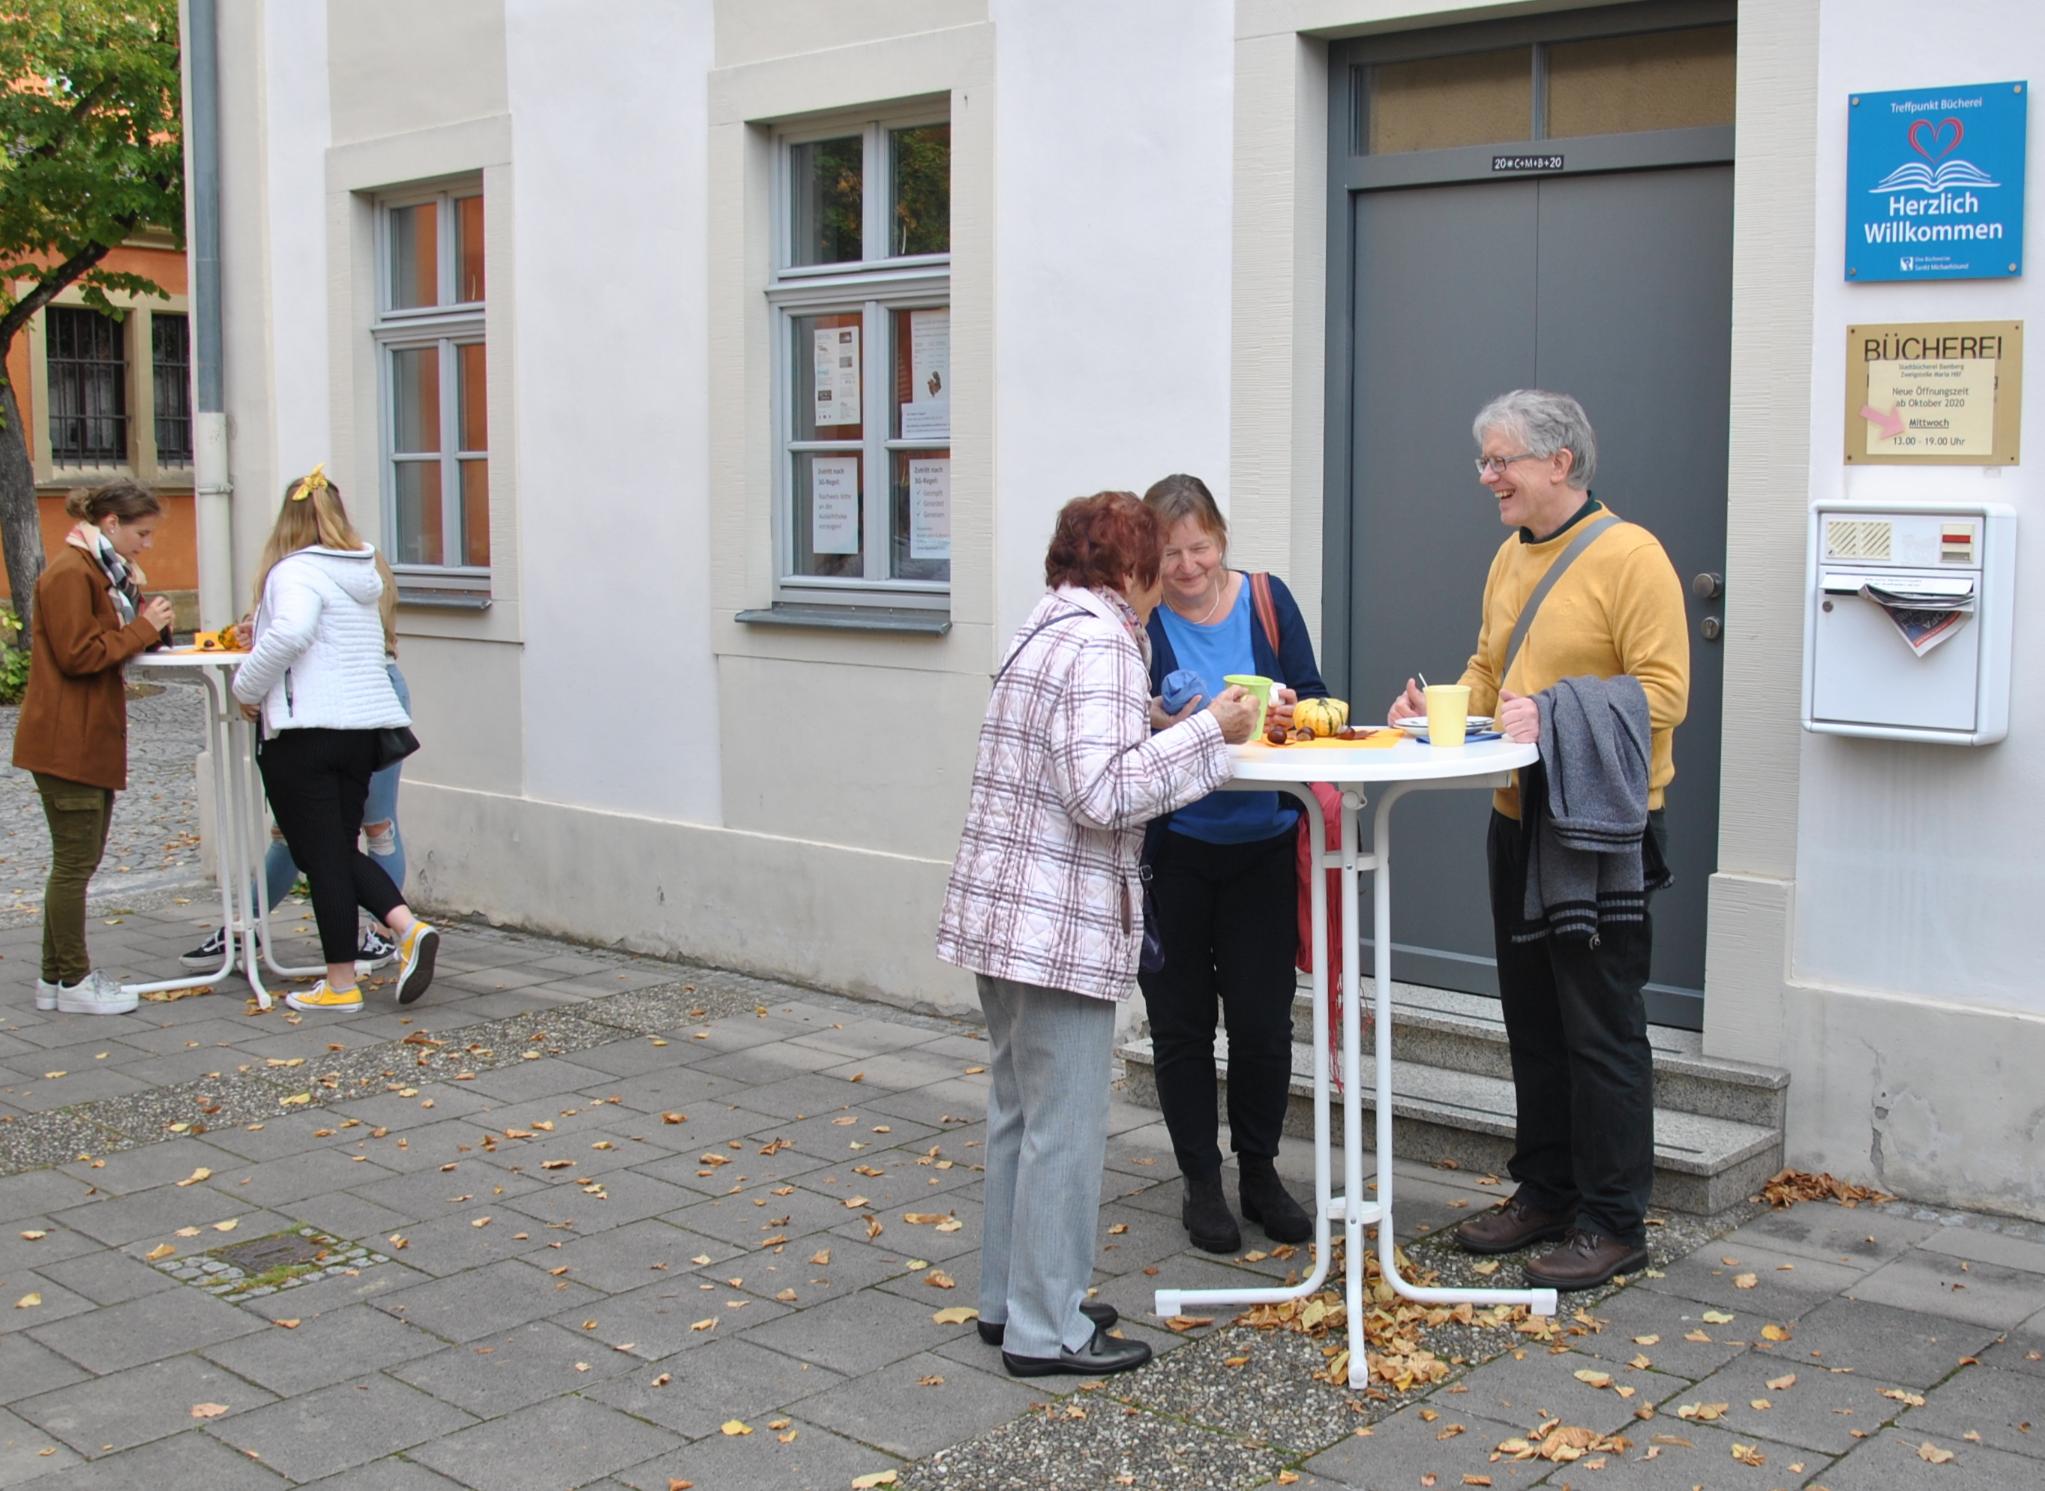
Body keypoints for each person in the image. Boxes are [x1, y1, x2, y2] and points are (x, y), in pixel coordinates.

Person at [936, 491, 1259, 1378]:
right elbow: (1100, 793)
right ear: (1131, 567)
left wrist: (1152, 727)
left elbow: (1070, 758)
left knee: (1017, 1116)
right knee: (1064, 1130)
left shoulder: (1042, 627)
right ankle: (1050, 1329)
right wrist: (1204, 732)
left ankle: (1011, 1302)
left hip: (1000, 917)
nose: (1165, 578)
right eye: (1155, 560)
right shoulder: (1106, 641)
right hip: (1055, 926)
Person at [1386, 390, 1688, 1291]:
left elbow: (1664, 692)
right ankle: (1546, 1192)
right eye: (1484, 461)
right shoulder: (1508, 557)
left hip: (1598, 833)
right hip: (1518, 820)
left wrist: (1550, 712)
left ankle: (1613, 1220)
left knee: (1600, 1030)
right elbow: (1490, 671)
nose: (1486, 478)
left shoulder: (1632, 557)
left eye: (1499, 460)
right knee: (1532, 1022)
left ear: (1559, 462)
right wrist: (1435, 710)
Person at [1137, 473, 1324, 1254]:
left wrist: (1292, 715)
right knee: (1180, 1027)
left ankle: (1259, 1172)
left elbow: (1319, 700)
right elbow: (1112, 725)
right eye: (1171, 551)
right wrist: (1154, 715)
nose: (1186, 566)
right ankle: (1199, 1182)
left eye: (1200, 546)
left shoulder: (1268, 601)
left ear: (1221, 540)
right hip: (1174, 851)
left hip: (1260, 847)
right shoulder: (1137, 622)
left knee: (1259, 1025)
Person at [232, 467, 440, 1014]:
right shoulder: (359, 573)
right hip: (361, 732)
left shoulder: (293, 572)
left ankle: (361, 967)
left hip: (305, 734)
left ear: (289, 521)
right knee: (332, 851)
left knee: (317, 853)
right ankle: (381, 948)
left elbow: (292, 633)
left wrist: (246, 684)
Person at [184, 553, 410, 973]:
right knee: (295, 833)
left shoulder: (360, 564)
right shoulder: (298, 567)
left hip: (364, 699)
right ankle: (246, 927)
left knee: (375, 826)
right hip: (318, 708)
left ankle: (389, 934)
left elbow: (314, 636)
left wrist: (252, 679)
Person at [11, 482, 176, 1015]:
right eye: (141, 533)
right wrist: (142, 628)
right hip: (67, 741)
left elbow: (105, 640)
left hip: (82, 738)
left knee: (77, 862)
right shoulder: (70, 573)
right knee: (74, 864)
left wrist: (147, 629)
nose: (146, 544)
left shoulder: (99, 573)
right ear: (110, 524)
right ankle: (73, 980)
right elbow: (79, 654)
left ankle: (56, 980)